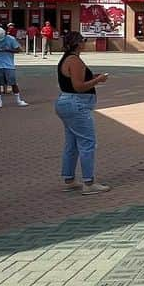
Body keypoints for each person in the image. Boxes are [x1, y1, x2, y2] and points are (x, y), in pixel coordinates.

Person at [55, 32, 111, 194]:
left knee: (72, 143)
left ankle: (69, 178)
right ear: (78, 43)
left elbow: (74, 80)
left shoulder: (66, 59)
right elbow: (79, 86)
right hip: (77, 103)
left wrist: (93, 77)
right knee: (87, 143)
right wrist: (98, 80)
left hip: (67, 102)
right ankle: (89, 182)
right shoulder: (75, 60)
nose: (86, 43)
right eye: (84, 41)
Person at [0, 26, 27, 109]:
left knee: (12, 82)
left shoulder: (11, 39)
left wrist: (7, 50)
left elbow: (19, 49)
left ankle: (18, 100)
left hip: (8, 64)